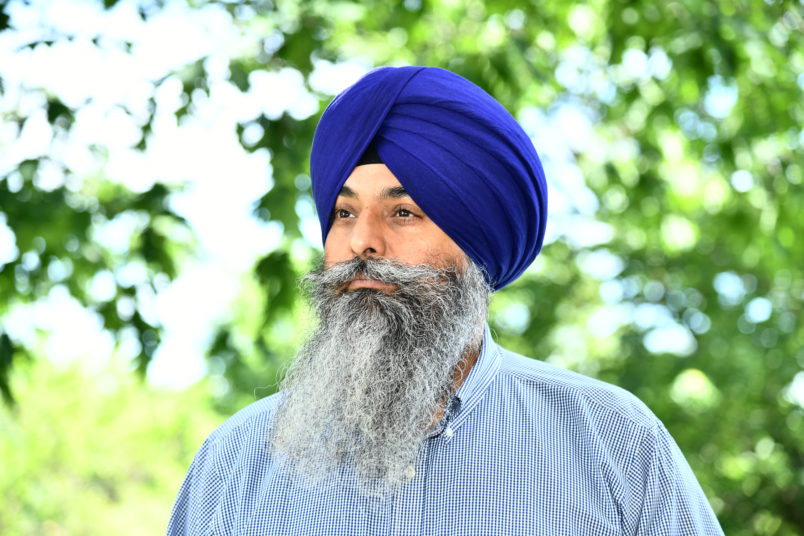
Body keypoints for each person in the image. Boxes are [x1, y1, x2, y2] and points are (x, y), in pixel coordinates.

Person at [167, 66, 723, 535]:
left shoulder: (612, 444)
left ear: (477, 239)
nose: (362, 241)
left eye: (402, 212)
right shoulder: (233, 464)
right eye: (344, 212)